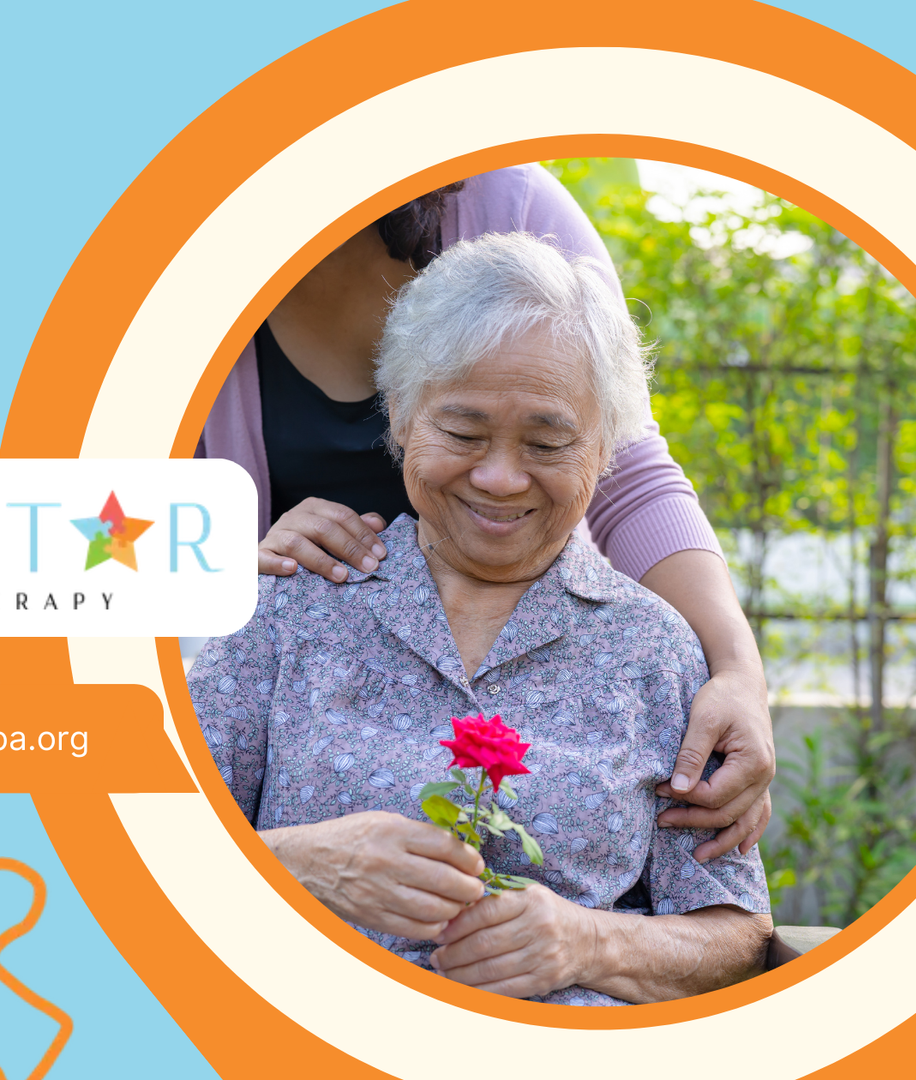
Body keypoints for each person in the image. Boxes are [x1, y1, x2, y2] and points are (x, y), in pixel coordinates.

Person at [189, 233, 772, 1005]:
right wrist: (301, 863)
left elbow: (736, 933)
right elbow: (134, 858)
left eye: (548, 441)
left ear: (604, 451)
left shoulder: (654, 651)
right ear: (400, 417)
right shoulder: (291, 604)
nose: (499, 478)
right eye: (462, 433)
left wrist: (587, 940)